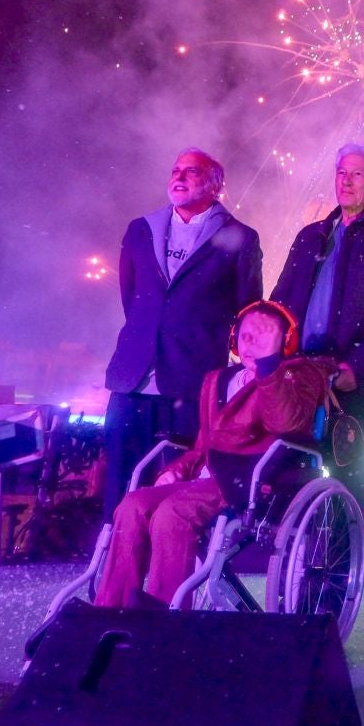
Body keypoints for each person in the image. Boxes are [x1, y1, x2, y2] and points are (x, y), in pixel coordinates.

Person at [96, 301, 332, 609]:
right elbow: (203, 445)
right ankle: (109, 608)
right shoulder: (217, 380)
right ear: (234, 339)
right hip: (206, 479)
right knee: (132, 505)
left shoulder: (299, 374)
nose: (253, 343)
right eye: (246, 335)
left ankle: (163, 612)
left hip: (250, 481)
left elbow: (287, 423)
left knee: (172, 513)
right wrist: (179, 470)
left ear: (285, 339)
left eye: (264, 334)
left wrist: (269, 366)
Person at [103, 148, 264, 521]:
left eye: (192, 172)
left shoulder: (239, 237)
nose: (180, 177)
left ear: (215, 183)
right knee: (120, 485)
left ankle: (173, 576)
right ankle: (113, 572)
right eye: (176, 170)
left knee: (179, 487)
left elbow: (247, 308)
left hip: (192, 384)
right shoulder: (141, 229)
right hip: (133, 379)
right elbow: (132, 297)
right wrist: (152, 336)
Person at [270, 142, 364, 503]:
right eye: (341, 173)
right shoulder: (311, 236)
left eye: (357, 174)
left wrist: (359, 366)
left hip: (355, 385)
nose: (346, 181)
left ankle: (342, 560)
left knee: (346, 488)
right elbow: (279, 304)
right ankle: (289, 558)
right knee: (286, 481)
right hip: (298, 377)